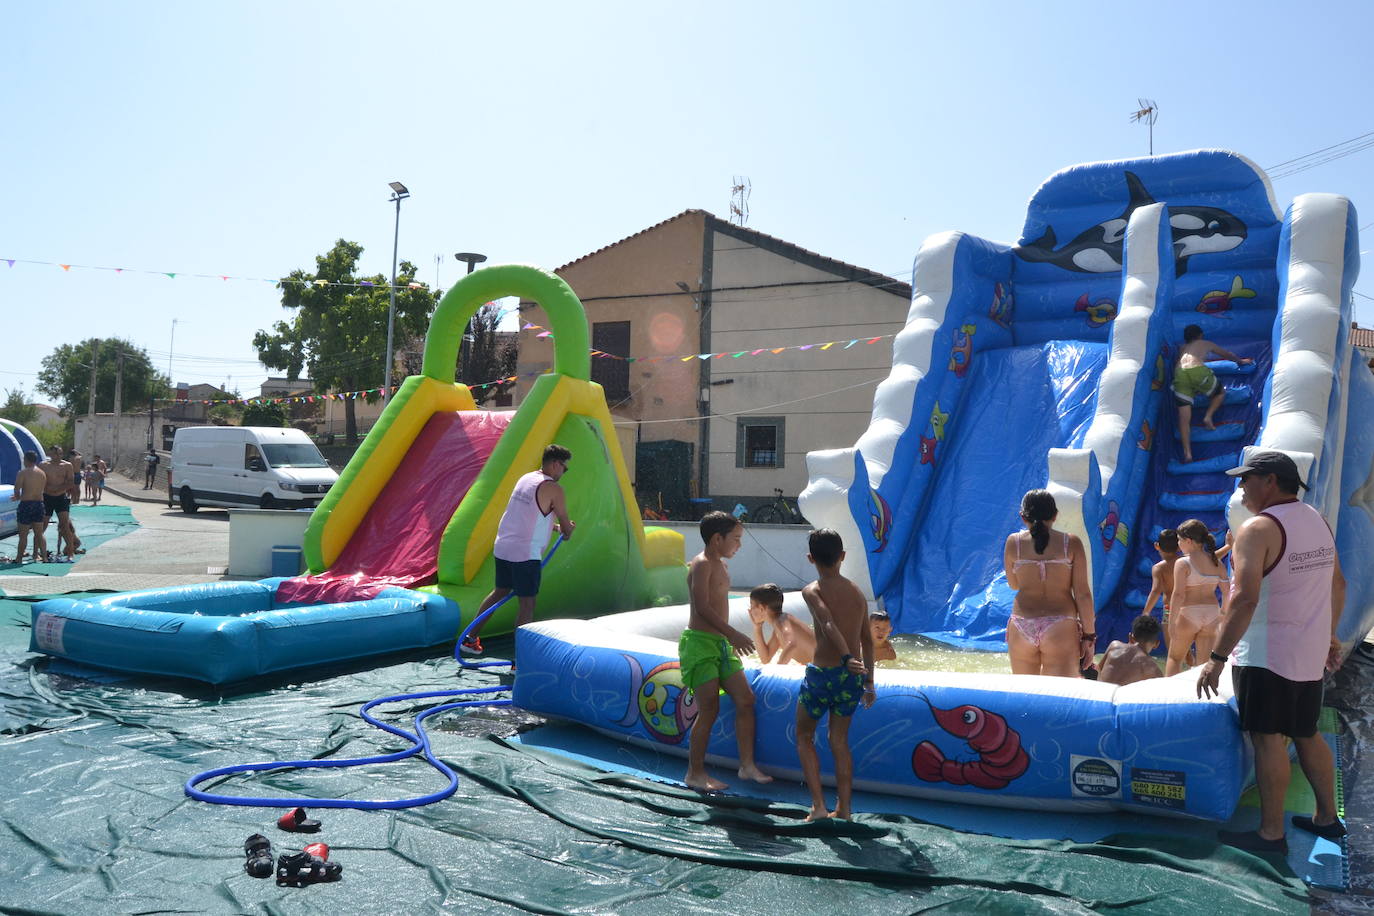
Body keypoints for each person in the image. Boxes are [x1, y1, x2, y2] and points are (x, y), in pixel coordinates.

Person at [1198, 451, 1347, 854]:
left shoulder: (1256, 529)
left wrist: (1215, 658)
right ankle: (1327, 818)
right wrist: (1329, 636)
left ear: (1270, 481)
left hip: (1267, 654)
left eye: (1247, 479)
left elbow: (1244, 600)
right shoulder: (1316, 520)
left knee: (1268, 740)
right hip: (1306, 651)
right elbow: (1338, 584)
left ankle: (1270, 834)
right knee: (1305, 731)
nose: (1241, 487)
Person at [679, 511, 772, 792]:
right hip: (700, 644)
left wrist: (727, 638)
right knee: (709, 708)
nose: (739, 545)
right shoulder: (702, 564)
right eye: (736, 538)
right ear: (717, 539)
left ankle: (746, 766)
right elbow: (703, 607)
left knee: (745, 699)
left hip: (720, 644)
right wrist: (733, 633)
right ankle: (694, 772)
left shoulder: (721, 564)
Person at [462, 444, 575, 656]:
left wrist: (555, 527)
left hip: (504, 547)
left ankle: (470, 639)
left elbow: (527, 515)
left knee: (499, 592)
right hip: (525, 554)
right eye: (564, 468)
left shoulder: (526, 479)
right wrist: (567, 530)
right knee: (527, 604)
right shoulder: (554, 489)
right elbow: (567, 526)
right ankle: (519, 659)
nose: (563, 472)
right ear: (555, 464)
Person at [796, 528, 875, 820]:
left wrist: (845, 657)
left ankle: (818, 806)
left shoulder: (812, 590)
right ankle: (844, 809)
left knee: (804, 735)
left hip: (823, 675)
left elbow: (826, 622)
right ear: (842, 557)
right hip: (850, 680)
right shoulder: (857, 593)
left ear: (810, 558)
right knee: (839, 741)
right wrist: (869, 681)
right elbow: (868, 639)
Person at [1003, 489, 1095, 677]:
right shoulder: (1071, 543)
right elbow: (1083, 594)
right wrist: (1089, 636)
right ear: (1055, 515)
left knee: (1025, 694)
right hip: (1060, 624)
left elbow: (1013, 584)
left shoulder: (1014, 543)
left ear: (1023, 517)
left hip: (1022, 623)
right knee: (1060, 696)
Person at [1173, 324, 1253, 464]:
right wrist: (1240, 361)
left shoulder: (1182, 349)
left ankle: (1187, 453)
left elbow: (1177, 364)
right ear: (1200, 335)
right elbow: (1226, 354)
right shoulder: (1205, 343)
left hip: (1179, 375)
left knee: (1183, 418)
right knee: (1220, 392)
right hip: (1197, 371)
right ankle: (1208, 416)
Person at [1166, 519, 1228, 676]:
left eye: (1179, 540)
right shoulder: (1217, 563)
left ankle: (1169, 697)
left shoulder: (1183, 563)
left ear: (1189, 541)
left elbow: (1178, 594)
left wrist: (1171, 622)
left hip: (1189, 613)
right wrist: (1223, 614)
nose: (1178, 544)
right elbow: (1227, 592)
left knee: (1175, 658)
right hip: (1212, 613)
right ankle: (1201, 698)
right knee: (1203, 666)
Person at [747, 582, 815, 665]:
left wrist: (777, 670)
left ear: (761, 608)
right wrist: (757, 628)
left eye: (751, 605)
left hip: (828, 669)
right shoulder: (779, 627)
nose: (750, 610)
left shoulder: (781, 621)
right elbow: (766, 658)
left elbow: (792, 645)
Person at [1141, 529, 1179, 656]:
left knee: (1173, 651)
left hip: (1170, 609)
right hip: (1188, 607)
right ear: (1179, 546)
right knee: (1186, 645)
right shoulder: (1186, 562)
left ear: (1157, 546)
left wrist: (1146, 612)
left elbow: (1156, 591)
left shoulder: (1159, 568)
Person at [1098, 615, 1164, 686]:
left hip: (1099, 693)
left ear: (1130, 637)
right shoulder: (1153, 669)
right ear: (1156, 644)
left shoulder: (1114, 646)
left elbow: (1097, 670)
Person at [40, 445, 78, 562]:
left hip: (61, 497)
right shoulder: (44, 465)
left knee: (65, 525)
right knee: (42, 525)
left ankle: (70, 553)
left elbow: (70, 481)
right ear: (50, 454)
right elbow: (40, 480)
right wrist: (48, 490)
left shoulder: (67, 465)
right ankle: (38, 552)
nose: (58, 456)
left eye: (60, 453)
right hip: (47, 497)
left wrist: (59, 490)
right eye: (55, 453)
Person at [10, 451, 49, 563]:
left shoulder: (23, 473)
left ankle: (19, 558)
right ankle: (45, 557)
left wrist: (17, 497)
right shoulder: (42, 473)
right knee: (39, 533)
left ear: (26, 460)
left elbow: (17, 490)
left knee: (23, 535)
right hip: (39, 504)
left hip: (26, 504)